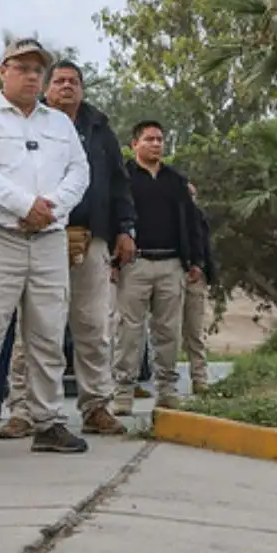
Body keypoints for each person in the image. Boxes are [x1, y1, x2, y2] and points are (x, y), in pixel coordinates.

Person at [0, 38, 91, 461]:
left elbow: (79, 172)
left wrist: (52, 208)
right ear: (3, 71)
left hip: (48, 239)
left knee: (47, 335)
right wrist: (25, 205)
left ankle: (47, 422)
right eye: (22, 68)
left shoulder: (60, 124)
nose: (30, 76)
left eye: (36, 70)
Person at [35, 60, 135, 436]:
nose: (66, 86)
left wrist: (124, 229)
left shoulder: (99, 129)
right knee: (37, 326)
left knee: (93, 325)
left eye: (73, 81)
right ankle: (25, 411)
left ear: (82, 89)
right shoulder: (33, 123)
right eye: (59, 81)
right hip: (41, 235)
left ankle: (96, 407)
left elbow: (119, 184)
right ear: (47, 89)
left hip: (91, 238)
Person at [114, 121, 201, 413]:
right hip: (134, 264)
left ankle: (167, 390)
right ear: (134, 144)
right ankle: (123, 392)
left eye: (160, 139)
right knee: (128, 332)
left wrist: (194, 261)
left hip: (171, 264)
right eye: (149, 139)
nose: (155, 144)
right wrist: (114, 262)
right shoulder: (123, 178)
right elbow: (114, 218)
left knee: (168, 332)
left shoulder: (176, 180)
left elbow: (191, 222)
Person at [182, 182, 215, 398]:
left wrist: (202, 269)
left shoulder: (198, 217)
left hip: (195, 278)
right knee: (164, 333)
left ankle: (200, 378)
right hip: (168, 274)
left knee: (194, 331)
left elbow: (205, 247)